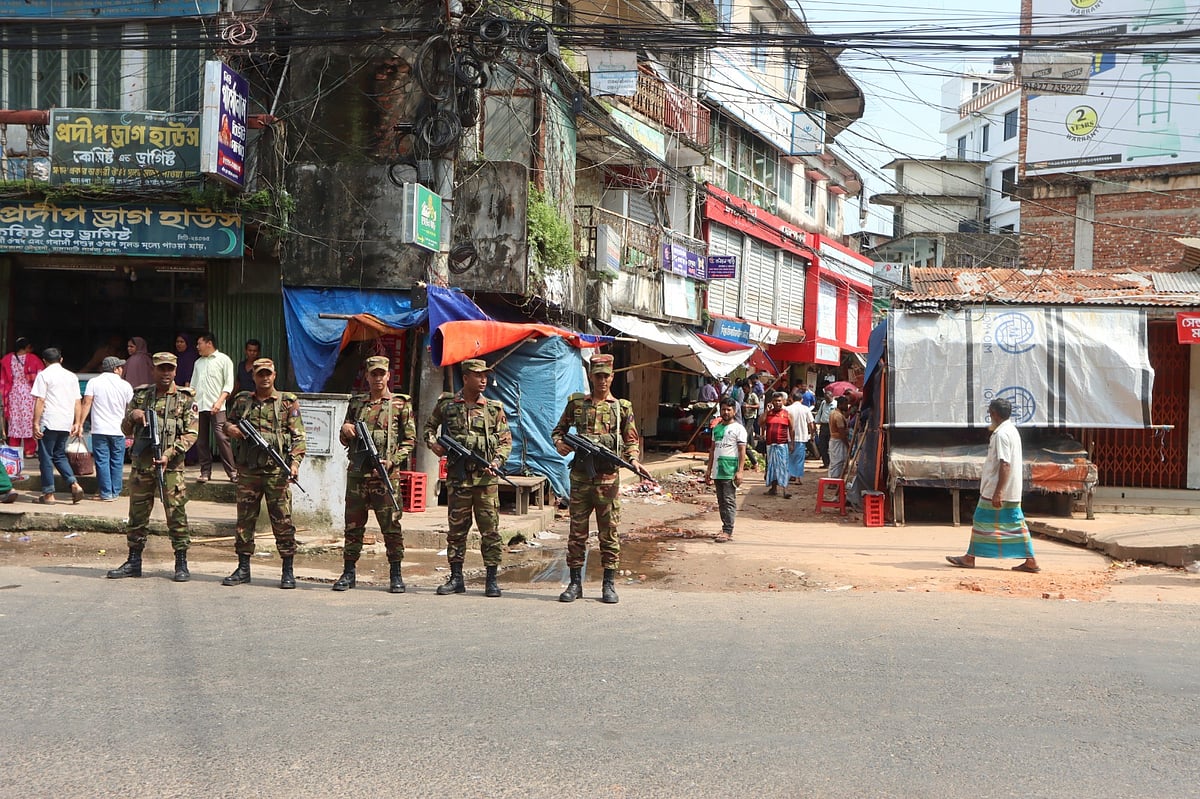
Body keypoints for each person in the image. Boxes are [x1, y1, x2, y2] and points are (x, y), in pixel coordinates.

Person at [552, 353, 645, 604]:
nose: (602, 380)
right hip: (581, 479)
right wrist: (560, 444)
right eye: (598, 376)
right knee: (577, 533)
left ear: (612, 377)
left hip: (608, 480)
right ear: (591, 377)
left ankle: (608, 584)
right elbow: (558, 430)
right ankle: (575, 583)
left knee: (609, 533)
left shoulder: (621, 407)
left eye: (606, 376)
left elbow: (631, 439)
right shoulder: (577, 404)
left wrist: (633, 459)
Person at [424, 359, 513, 598]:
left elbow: (506, 441)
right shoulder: (447, 405)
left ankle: (491, 579)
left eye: (485, 375)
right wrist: (434, 445)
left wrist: (497, 462)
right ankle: (456, 578)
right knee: (456, 532)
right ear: (465, 378)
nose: (483, 380)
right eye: (478, 375)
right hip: (458, 480)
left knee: (490, 532)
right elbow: (429, 428)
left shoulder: (494, 409)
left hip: (485, 482)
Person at [106, 353, 198, 581]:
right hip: (142, 466)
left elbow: (191, 434)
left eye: (170, 369)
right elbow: (125, 429)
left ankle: (181, 563)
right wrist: (133, 416)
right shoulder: (141, 396)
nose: (166, 373)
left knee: (176, 515)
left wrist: (169, 454)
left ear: (175, 371)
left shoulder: (185, 399)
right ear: (153, 370)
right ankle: (133, 561)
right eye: (161, 369)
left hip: (171, 468)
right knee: (137, 515)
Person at [333, 356, 416, 593]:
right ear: (367, 377)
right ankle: (349, 572)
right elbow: (343, 438)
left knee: (391, 526)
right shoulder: (357, 404)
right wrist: (345, 430)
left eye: (382, 374)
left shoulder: (400, 404)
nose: (378, 378)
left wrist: (393, 461)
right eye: (374, 374)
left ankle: (396, 574)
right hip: (358, 474)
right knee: (353, 525)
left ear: (388, 376)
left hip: (385, 475)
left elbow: (409, 441)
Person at [222, 358, 307, 589]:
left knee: (282, 521)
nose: (265, 378)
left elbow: (299, 437)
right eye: (260, 374)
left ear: (274, 375)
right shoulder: (243, 401)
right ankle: (243, 568)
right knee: (244, 520)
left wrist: (295, 464)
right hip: (248, 471)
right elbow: (227, 424)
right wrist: (232, 429)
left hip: (276, 472)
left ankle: (287, 570)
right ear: (254, 377)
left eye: (268, 373)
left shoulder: (287, 402)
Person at [946, 397, 1041, 574]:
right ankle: (1029, 560)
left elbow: (1005, 464)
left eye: (990, 412)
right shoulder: (1011, 431)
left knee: (985, 520)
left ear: (995, 414)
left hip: (998, 489)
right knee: (1010, 523)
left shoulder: (1001, 434)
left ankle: (970, 558)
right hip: (1008, 489)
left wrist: (999, 492)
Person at [30, 348, 84, 505]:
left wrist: (35, 423)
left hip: (49, 421)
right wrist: (77, 422)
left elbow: (40, 400)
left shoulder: (44, 375)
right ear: (61, 359)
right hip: (65, 422)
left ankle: (48, 493)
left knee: (46, 457)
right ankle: (74, 483)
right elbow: (77, 401)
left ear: (44, 361)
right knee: (59, 455)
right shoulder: (71, 376)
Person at [81, 356, 134, 502]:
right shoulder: (125, 385)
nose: (122, 370)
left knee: (102, 461)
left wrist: (79, 423)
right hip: (119, 430)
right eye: (120, 367)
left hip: (100, 429)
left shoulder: (94, 382)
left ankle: (106, 493)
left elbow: (86, 403)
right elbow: (132, 407)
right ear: (115, 369)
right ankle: (115, 492)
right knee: (117, 461)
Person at [192, 332, 237, 483]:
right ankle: (205, 472)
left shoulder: (224, 360)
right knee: (201, 441)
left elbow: (228, 385)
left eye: (199, 343)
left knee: (222, 437)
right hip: (200, 407)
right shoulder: (198, 363)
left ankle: (232, 472)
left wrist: (219, 402)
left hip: (218, 406)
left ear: (209, 343)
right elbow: (193, 385)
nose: (197, 347)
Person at [706, 396, 746, 543]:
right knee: (721, 501)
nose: (726, 412)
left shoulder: (738, 429)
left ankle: (728, 530)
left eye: (729, 409)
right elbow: (712, 450)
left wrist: (740, 471)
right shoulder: (716, 428)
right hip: (718, 470)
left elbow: (742, 450)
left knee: (729, 500)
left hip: (730, 470)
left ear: (734, 411)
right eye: (723, 409)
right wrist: (709, 470)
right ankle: (725, 527)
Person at [1, 337, 45, 457]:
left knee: (14, 421)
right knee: (29, 421)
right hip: (29, 393)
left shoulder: (7, 359)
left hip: (13, 393)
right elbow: (41, 375)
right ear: (27, 347)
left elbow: (3, 377)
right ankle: (29, 451)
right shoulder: (33, 358)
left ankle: (14, 450)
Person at [760, 391, 793, 498]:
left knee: (783, 466)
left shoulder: (787, 414)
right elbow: (761, 423)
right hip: (770, 444)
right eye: (775, 401)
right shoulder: (768, 413)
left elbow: (791, 429)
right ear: (772, 402)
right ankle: (773, 489)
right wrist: (766, 411)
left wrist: (792, 443)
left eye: (779, 401)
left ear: (783, 401)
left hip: (782, 445)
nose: (777, 403)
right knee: (772, 466)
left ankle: (785, 490)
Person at [785, 394, 815, 485]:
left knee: (789, 457)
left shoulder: (787, 409)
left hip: (789, 437)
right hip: (801, 437)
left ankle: (790, 476)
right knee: (799, 459)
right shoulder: (806, 409)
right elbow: (811, 423)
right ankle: (798, 478)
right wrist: (812, 435)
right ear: (801, 400)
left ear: (792, 399)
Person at [827, 396, 850, 479]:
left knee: (837, 461)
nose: (847, 406)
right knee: (838, 461)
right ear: (840, 405)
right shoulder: (838, 416)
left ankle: (836, 479)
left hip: (835, 440)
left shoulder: (834, 413)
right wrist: (847, 444)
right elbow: (842, 432)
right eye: (845, 404)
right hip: (838, 441)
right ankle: (834, 480)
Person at [813, 389, 834, 468]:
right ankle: (826, 463)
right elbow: (819, 413)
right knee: (822, 445)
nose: (826, 400)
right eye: (825, 398)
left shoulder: (835, 404)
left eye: (828, 398)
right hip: (823, 426)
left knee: (831, 445)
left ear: (832, 397)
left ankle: (831, 463)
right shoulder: (823, 403)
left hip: (832, 426)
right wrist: (815, 422)